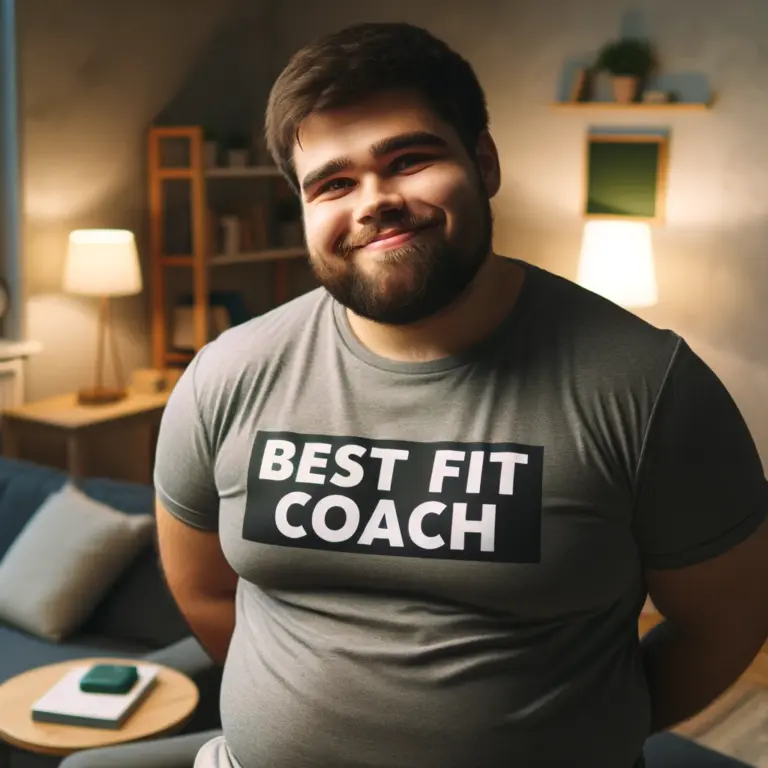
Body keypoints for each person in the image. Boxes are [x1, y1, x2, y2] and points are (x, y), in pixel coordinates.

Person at [153, 21, 768, 768]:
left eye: (408, 159)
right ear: (307, 210)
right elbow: (209, 598)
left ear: (483, 161)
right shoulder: (225, 374)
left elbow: (728, 622)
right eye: (334, 183)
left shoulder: (647, 386)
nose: (373, 201)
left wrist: (583, 732)